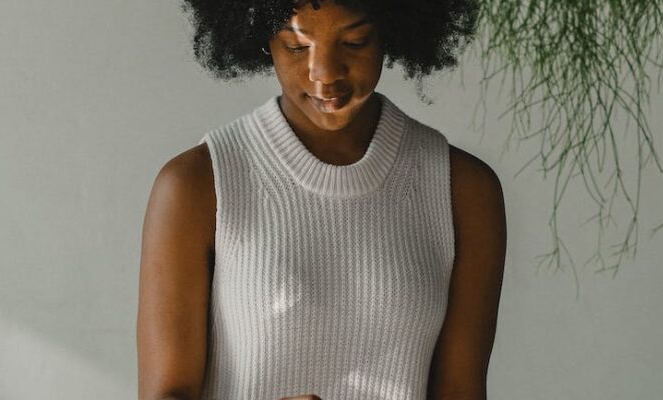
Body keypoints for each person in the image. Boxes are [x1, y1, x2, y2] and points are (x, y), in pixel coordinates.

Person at [136, 0, 506, 399]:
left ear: (390, 31)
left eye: (355, 41)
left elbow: (460, 391)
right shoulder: (198, 185)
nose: (324, 73)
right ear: (262, 38)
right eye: (296, 46)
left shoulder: (463, 190)